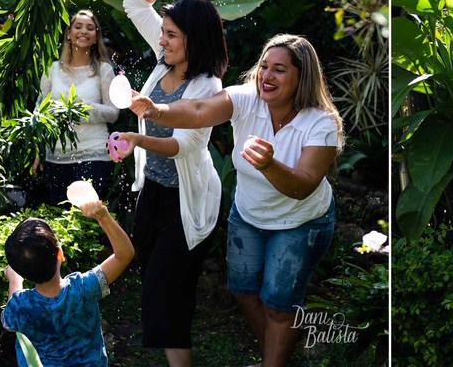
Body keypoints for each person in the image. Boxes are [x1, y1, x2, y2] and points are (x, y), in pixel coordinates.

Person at [125, 34, 344, 367]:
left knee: (277, 305)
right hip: (249, 217)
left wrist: (269, 165)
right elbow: (198, 109)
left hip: (301, 223)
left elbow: (303, 186)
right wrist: (157, 110)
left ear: (302, 77)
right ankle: (278, 351)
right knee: (243, 291)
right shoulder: (246, 99)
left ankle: (274, 357)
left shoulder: (321, 124)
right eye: (264, 67)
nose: (266, 76)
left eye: (280, 70)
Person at [111, 0, 226, 365]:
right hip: (154, 192)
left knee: (165, 292)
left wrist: (139, 139)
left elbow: (183, 145)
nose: (162, 40)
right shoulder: (165, 59)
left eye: (171, 34)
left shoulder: (207, 88)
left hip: (187, 202)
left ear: (194, 40)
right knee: (158, 282)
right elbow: (133, 3)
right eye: (163, 32)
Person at [1, 200, 134, 366]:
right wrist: (103, 216)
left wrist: (14, 280)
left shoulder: (21, 306)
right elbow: (124, 254)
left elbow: (9, 320)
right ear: (60, 254)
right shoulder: (84, 288)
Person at [33, 9, 120, 206]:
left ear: (96, 36)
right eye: (78, 26)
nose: (84, 31)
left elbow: (114, 113)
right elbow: (40, 113)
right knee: (59, 219)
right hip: (55, 157)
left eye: (90, 28)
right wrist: (38, 152)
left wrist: (85, 108)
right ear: (68, 33)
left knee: (86, 218)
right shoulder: (52, 69)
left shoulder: (104, 71)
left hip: (93, 155)